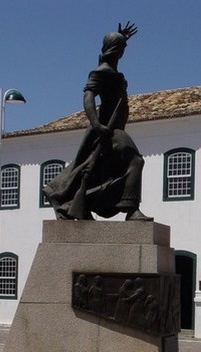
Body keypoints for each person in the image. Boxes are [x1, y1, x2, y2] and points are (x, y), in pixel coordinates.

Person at [43, 22, 151, 221]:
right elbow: (88, 97)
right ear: (116, 51)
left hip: (115, 126)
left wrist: (120, 38)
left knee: (99, 171)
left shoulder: (110, 69)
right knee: (135, 160)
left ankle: (74, 204)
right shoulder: (101, 72)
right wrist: (96, 124)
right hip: (108, 129)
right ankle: (131, 209)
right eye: (121, 49)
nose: (123, 52)